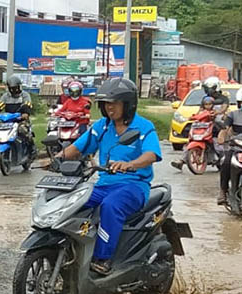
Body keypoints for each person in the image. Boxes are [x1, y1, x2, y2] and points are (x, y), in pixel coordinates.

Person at [56, 78, 162, 275]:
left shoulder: (143, 127)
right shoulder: (103, 126)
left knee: (111, 206)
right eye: (106, 104)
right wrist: (56, 158)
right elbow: (79, 146)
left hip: (134, 186)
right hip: (103, 184)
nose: (109, 108)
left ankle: (103, 259)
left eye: (114, 103)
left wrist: (130, 164)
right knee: (70, 203)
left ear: (128, 104)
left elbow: (151, 155)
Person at [170, 96, 216, 170]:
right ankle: (182, 161)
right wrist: (192, 117)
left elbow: (203, 116)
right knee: (188, 145)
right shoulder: (201, 111)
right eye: (206, 104)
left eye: (209, 104)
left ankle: (220, 158)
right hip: (200, 130)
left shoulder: (214, 112)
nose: (208, 106)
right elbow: (196, 116)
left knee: (216, 143)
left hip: (212, 131)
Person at [0, 75, 35, 157]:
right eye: (12, 88)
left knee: (24, 131)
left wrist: (25, 114)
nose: (14, 90)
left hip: (21, 120)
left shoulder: (25, 95)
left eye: (16, 88)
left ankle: (32, 149)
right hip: (8, 121)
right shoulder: (5, 96)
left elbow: (28, 105)